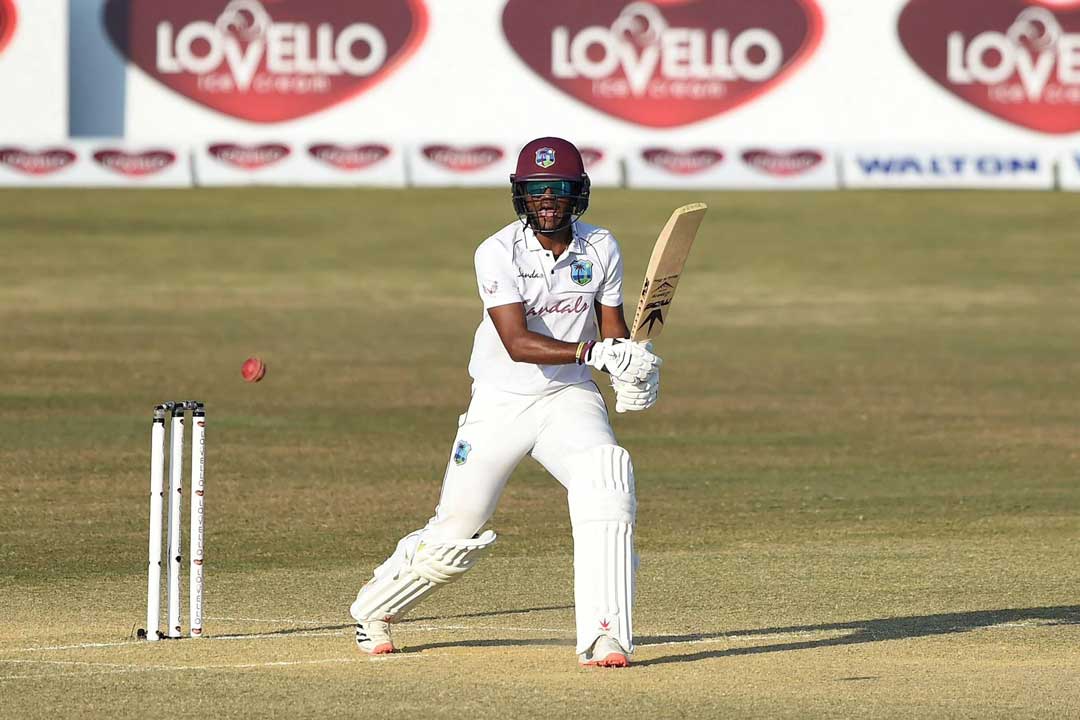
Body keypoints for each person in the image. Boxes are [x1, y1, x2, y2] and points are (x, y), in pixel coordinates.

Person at [349, 137, 662, 668]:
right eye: (537, 191)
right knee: (458, 527)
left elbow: (612, 333)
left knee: (608, 476)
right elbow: (517, 343)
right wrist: (596, 351)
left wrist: (630, 366)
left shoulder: (601, 247)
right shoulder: (496, 251)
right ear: (520, 195)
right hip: (501, 401)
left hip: (568, 395)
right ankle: (375, 609)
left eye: (558, 190)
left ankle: (605, 635)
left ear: (577, 194)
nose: (548, 201)